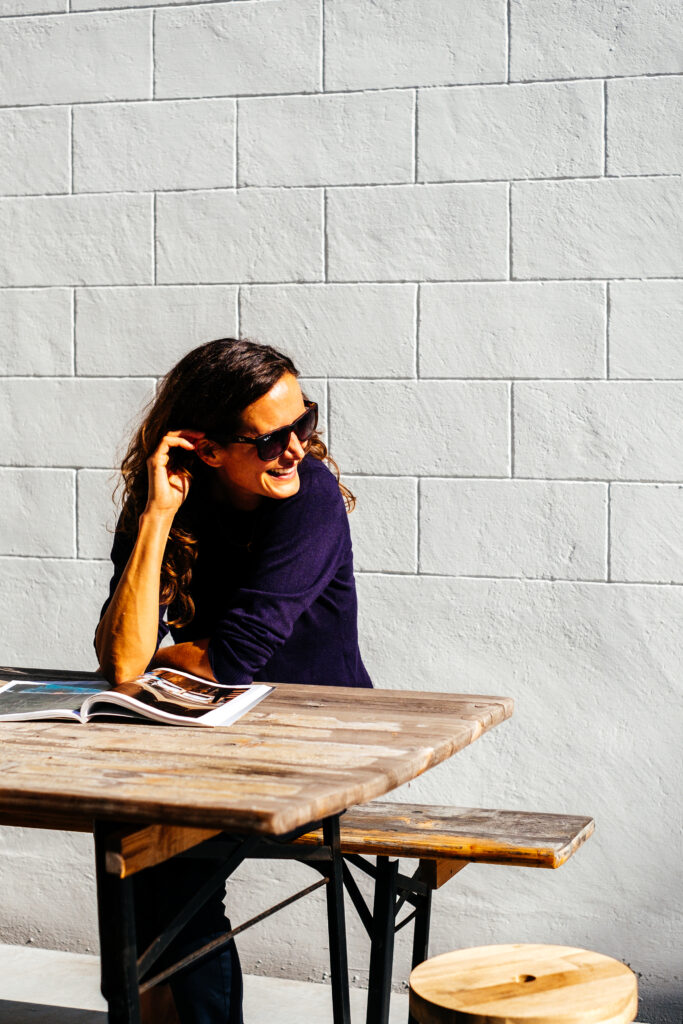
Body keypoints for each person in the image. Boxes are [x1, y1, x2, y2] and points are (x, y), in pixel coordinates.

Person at [95, 337, 372, 1024]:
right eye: (270, 438)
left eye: (303, 421)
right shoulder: (169, 499)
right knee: (123, 847)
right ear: (207, 448)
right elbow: (123, 661)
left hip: (320, 743)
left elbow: (233, 658)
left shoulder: (310, 498)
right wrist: (158, 516)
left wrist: (175, 657)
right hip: (209, 737)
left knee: (169, 868)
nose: (295, 448)